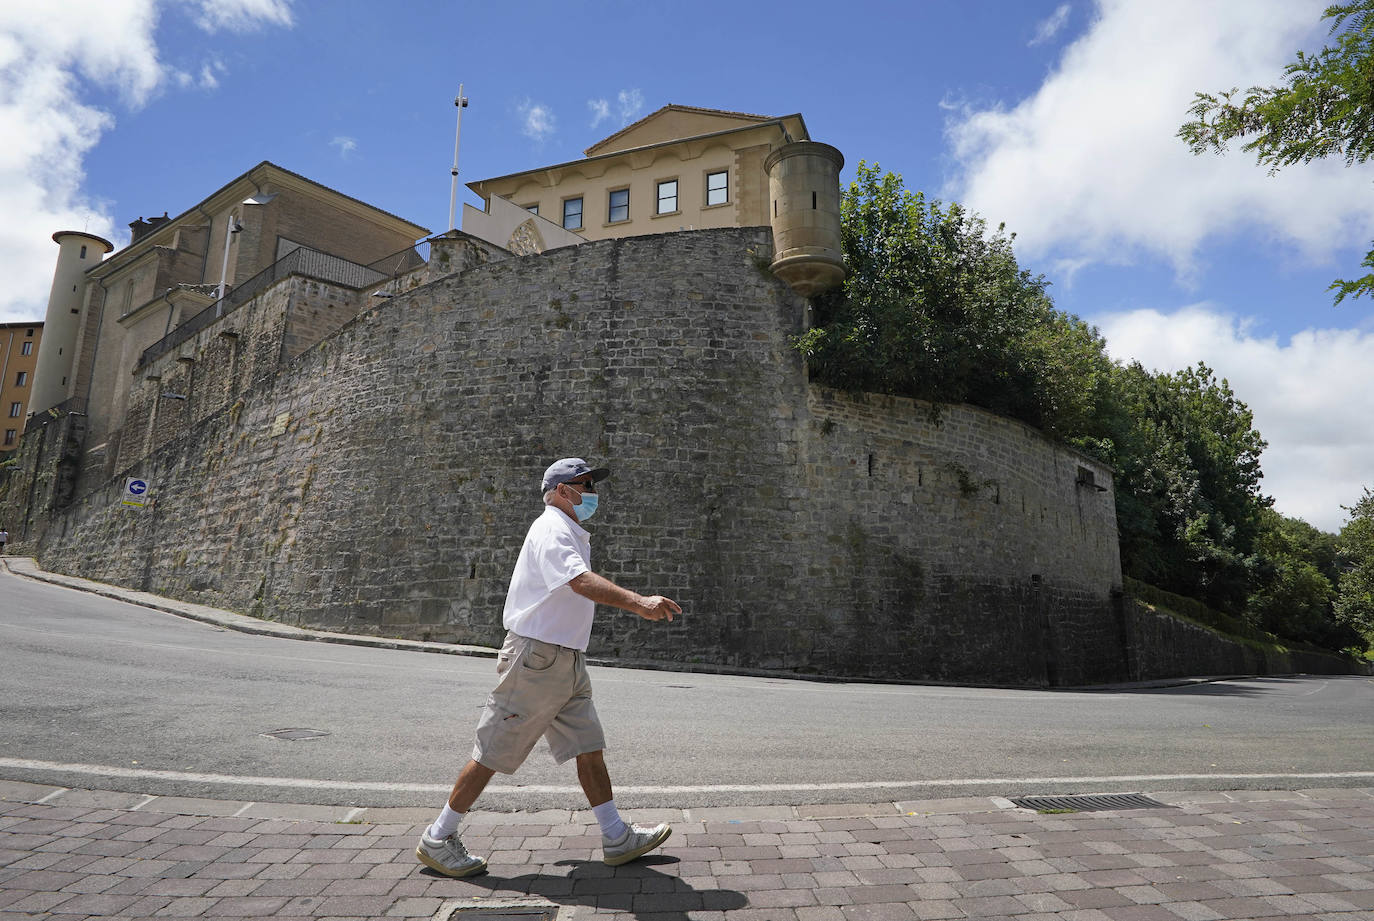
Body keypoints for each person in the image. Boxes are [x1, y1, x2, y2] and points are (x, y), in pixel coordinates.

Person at [416, 458, 683, 878]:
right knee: (493, 750)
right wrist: (638, 602)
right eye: (585, 484)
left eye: (593, 484)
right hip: (538, 659)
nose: (592, 492)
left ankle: (616, 836)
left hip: (564, 660)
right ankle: (437, 836)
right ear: (561, 491)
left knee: (587, 745)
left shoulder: (569, 530)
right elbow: (578, 581)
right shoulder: (552, 529)